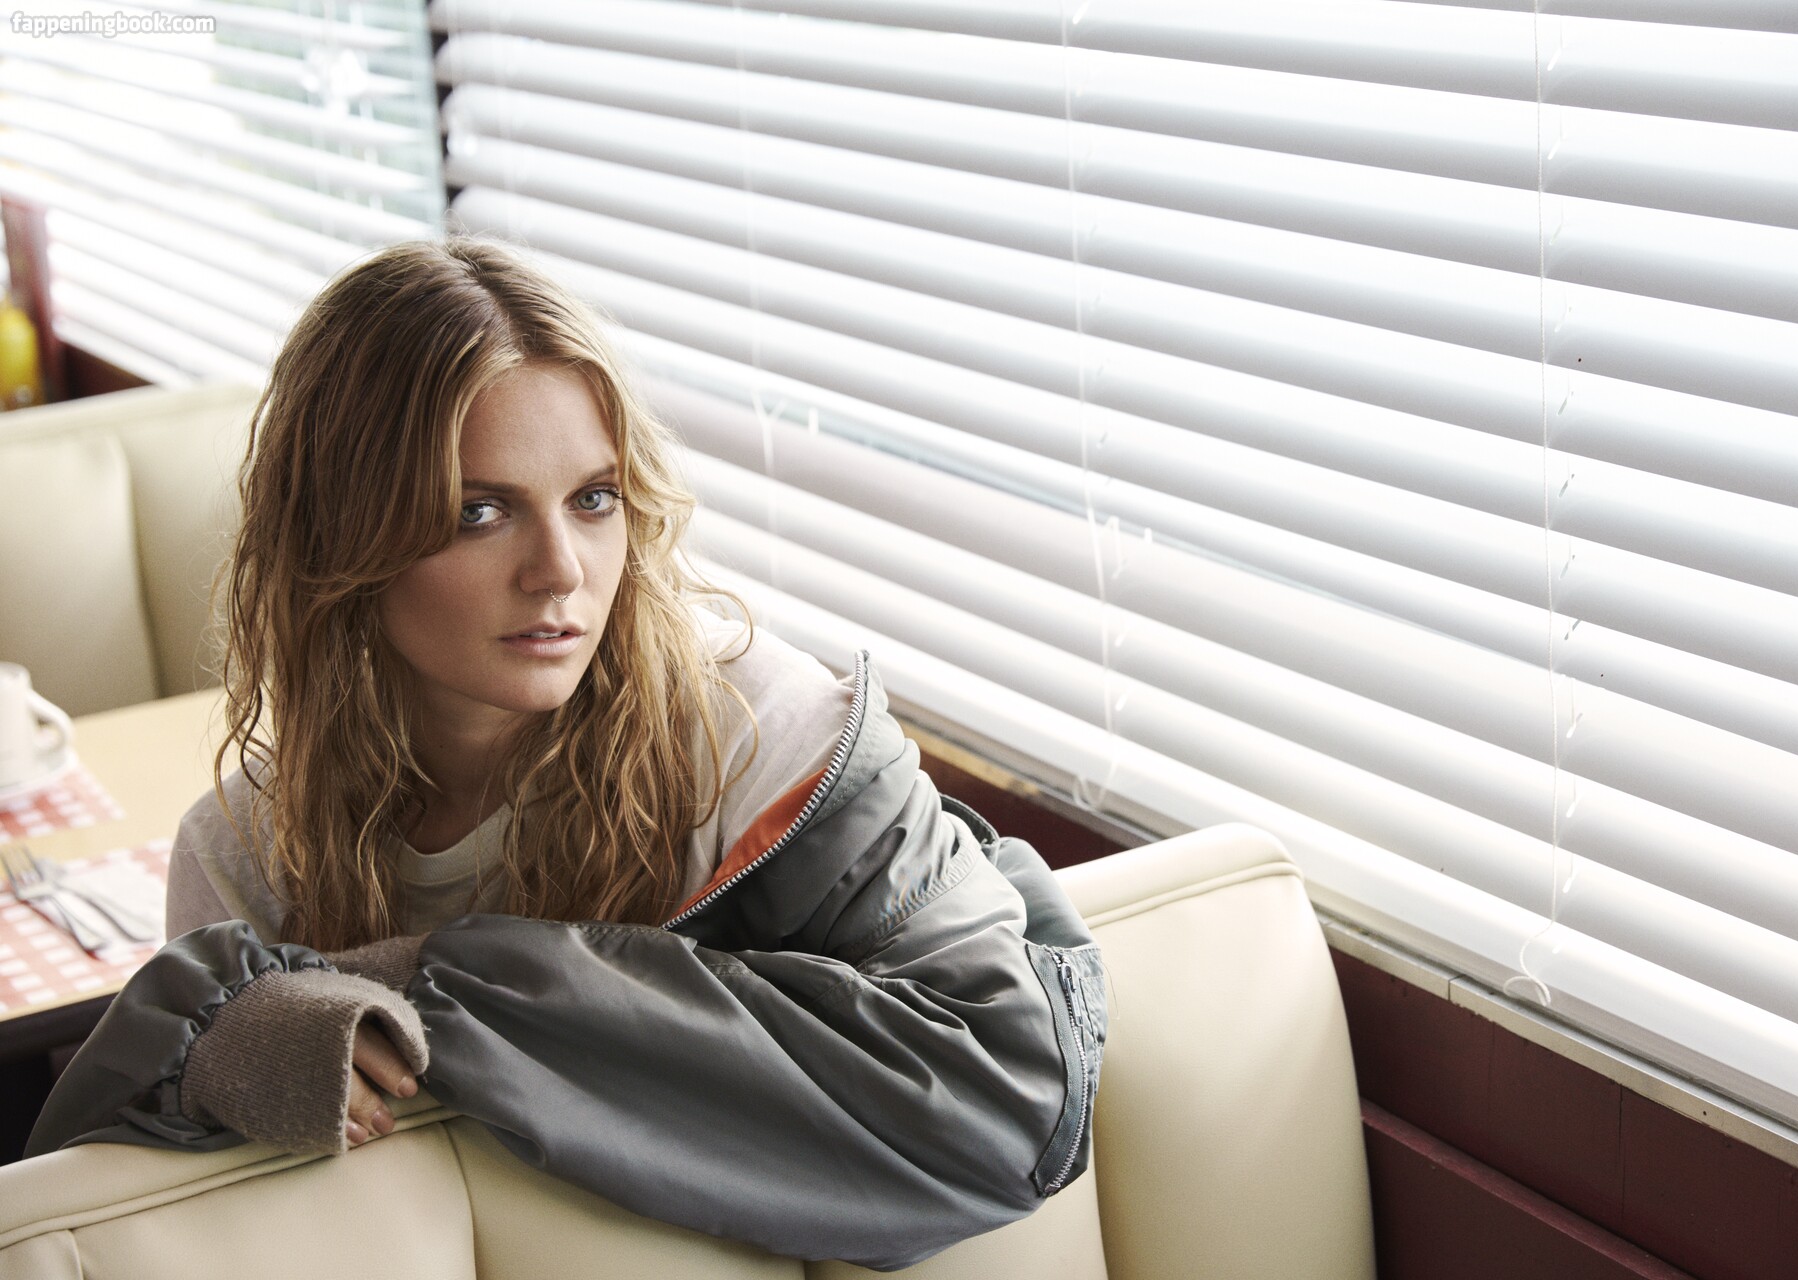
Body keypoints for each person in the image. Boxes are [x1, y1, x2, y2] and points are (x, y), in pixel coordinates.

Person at [25, 237, 1106, 1271]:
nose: (560, 570)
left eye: (593, 499)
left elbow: (1006, 1100)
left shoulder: (759, 733)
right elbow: (112, 1216)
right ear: (340, 539)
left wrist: (414, 983)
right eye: (479, 511)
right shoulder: (249, 852)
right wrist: (204, 1050)